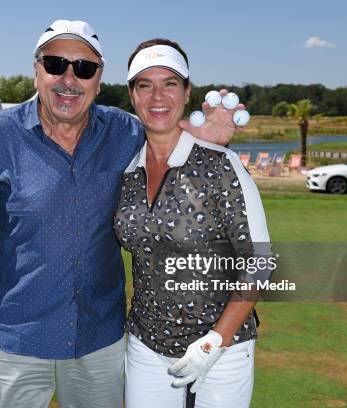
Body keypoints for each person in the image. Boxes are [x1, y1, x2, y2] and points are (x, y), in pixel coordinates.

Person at [0, 20, 244, 408]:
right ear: (37, 71)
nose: (69, 78)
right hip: (15, 337)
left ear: (98, 81)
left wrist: (208, 143)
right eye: (55, 64)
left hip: (99, 339)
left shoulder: (127, 132)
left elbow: (174, 148)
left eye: (84, 68)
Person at [114, 39, 271, 408]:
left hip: (222, 348)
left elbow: (260, 260)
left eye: (169, 83)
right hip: (146, 345)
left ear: (186, 92)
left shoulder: (220, 165)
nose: (157, 95)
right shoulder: (128, 171)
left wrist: (214, 341)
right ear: (132, 95)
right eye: (144, 84)